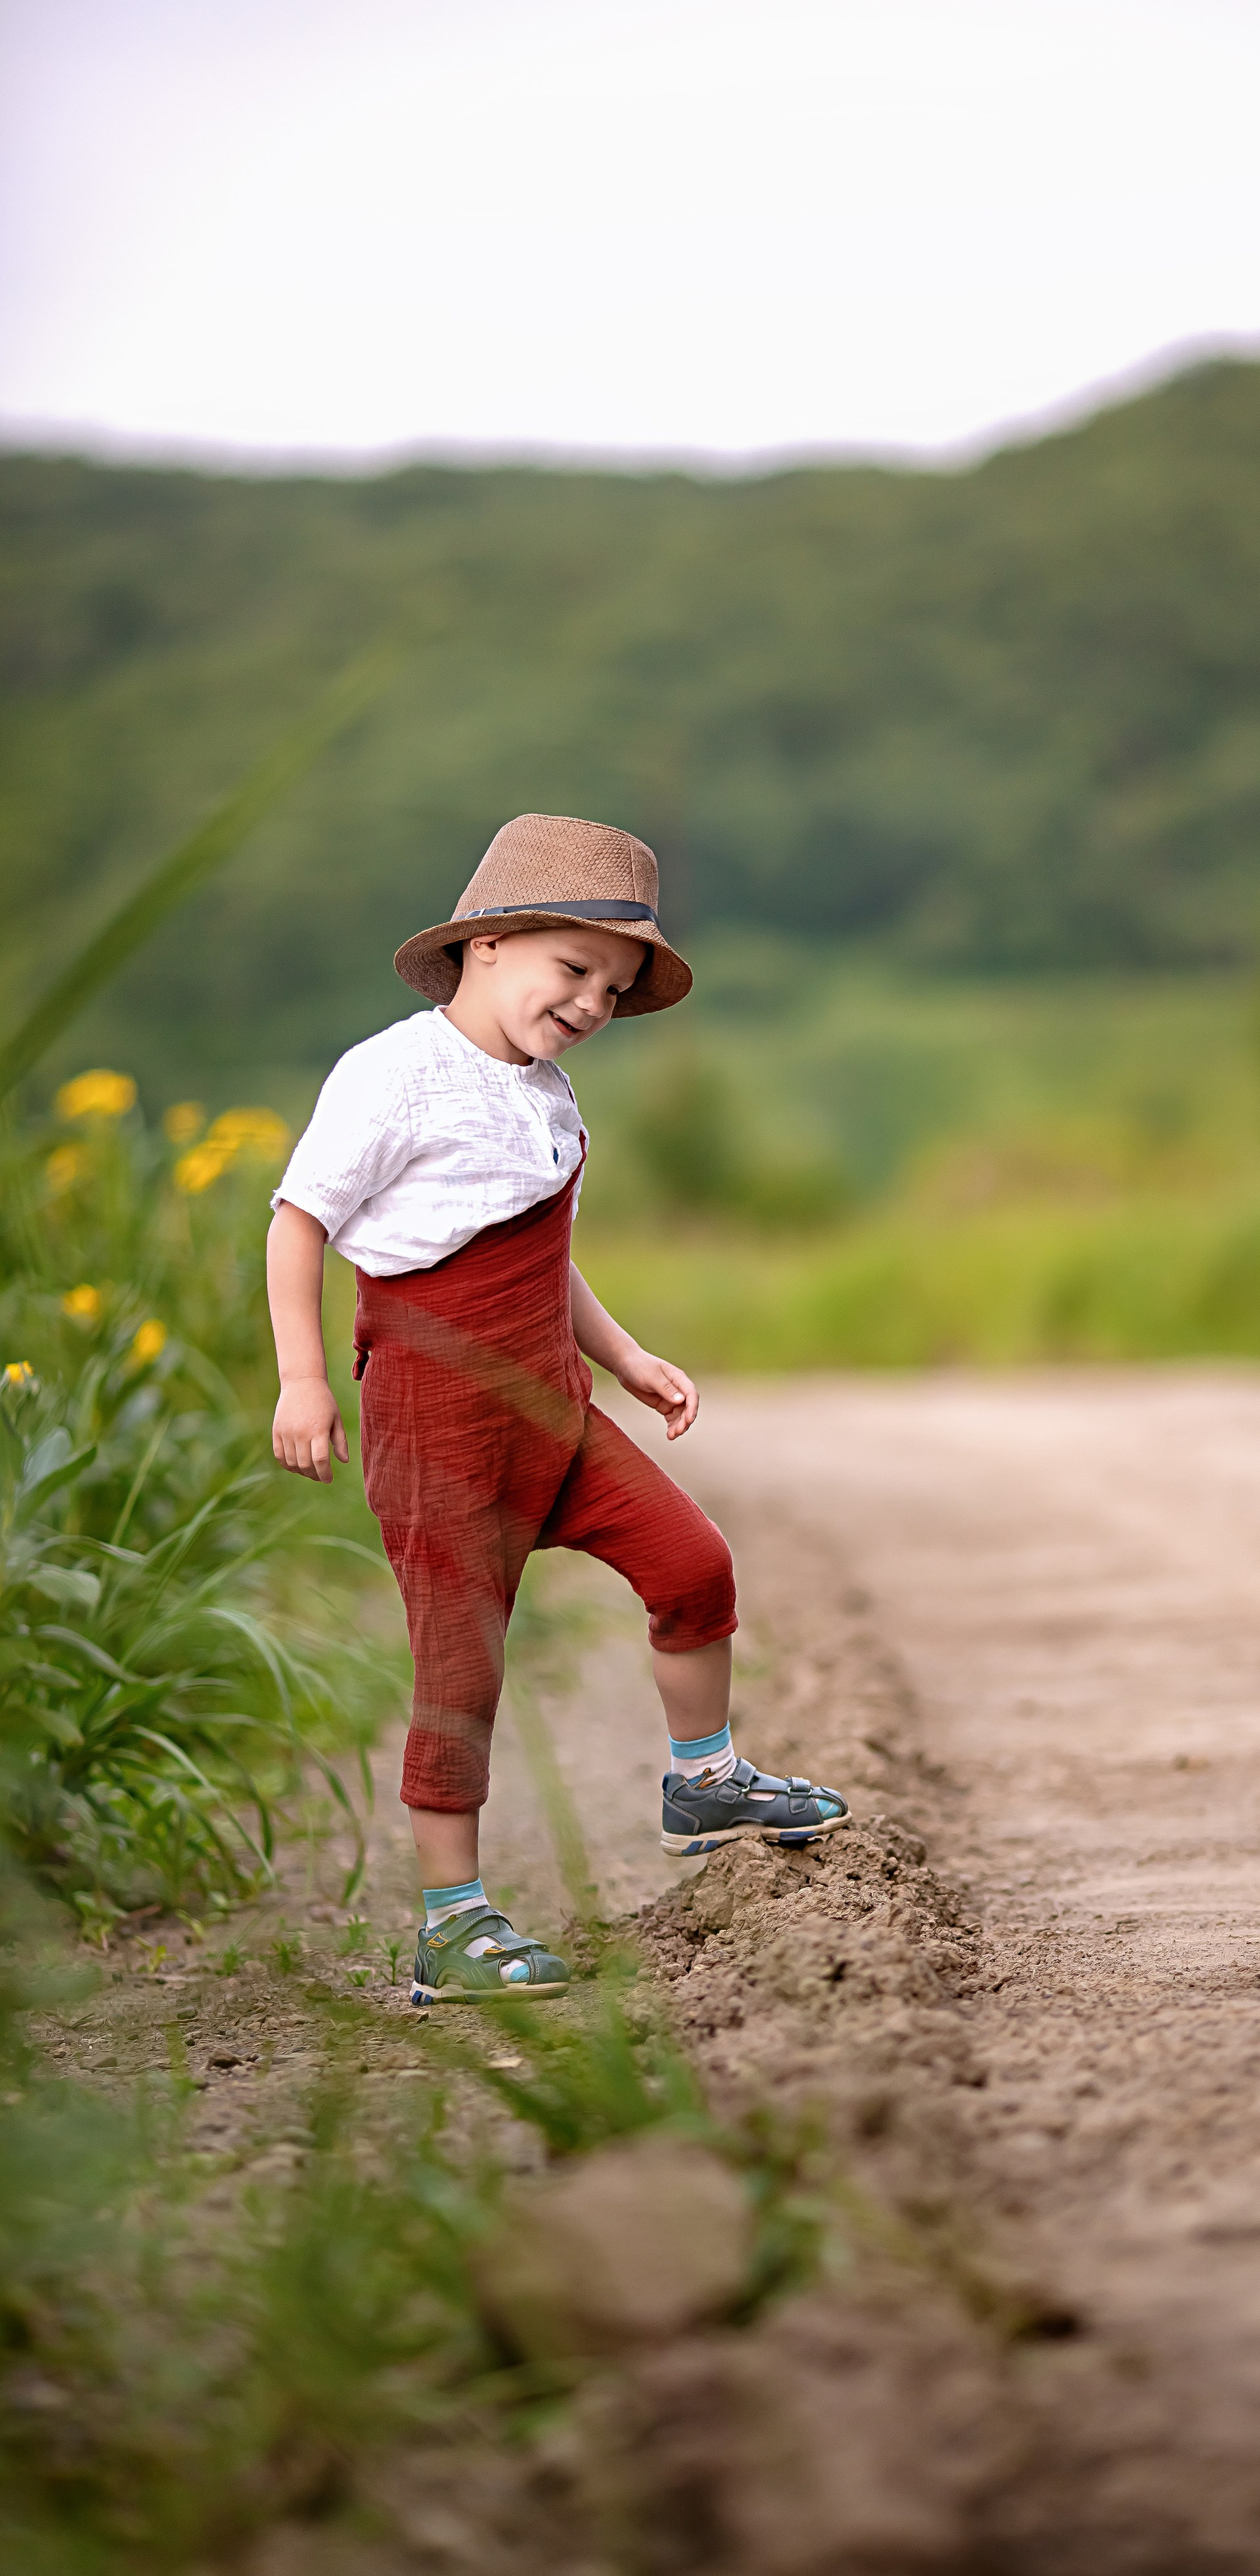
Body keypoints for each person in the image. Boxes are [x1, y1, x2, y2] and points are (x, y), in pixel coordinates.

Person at [265, 813, 848, 2005]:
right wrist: (304, 1377)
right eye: (572, 969)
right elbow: (299, 1221)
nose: (590, 1002)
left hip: (556, 1405)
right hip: (439, 1425)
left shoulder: (547, 1095)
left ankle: (704, 1775)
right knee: (459, 1669)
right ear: (485, 944)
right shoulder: (392, 1074)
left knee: (692, 1564)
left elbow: (541, 1255)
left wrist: (628, 1358)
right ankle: (452, 1920)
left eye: (614, 988)